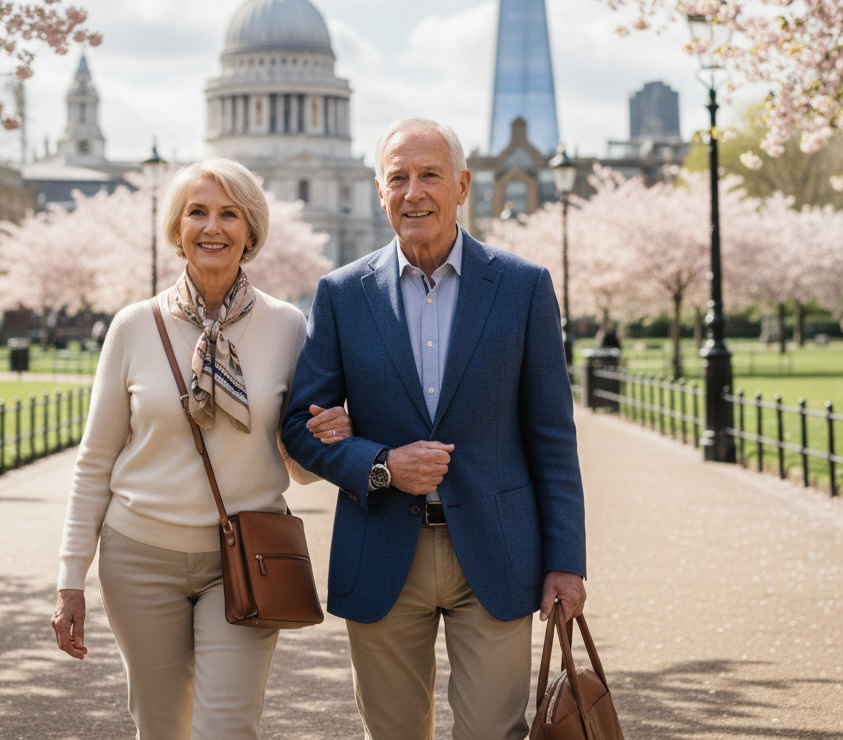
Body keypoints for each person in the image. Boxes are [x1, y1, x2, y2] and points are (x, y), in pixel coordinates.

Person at [282, 117, 587, 740]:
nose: (413, 191)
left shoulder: (524, 287)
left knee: (492, 732)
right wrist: (380, 463)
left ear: (462, 185)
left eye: (429, 175)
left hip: (498, 553)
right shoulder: (341, 293)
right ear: (379, 189)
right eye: (398, 178)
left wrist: (566, 560)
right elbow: (300, 425)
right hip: (381, 548)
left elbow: (553, 438)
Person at [51, 156, 351, 740]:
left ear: (251, 231)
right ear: (177, 228)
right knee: (161, 725)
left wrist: (326, 438)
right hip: (138, 557)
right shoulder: (135, 326)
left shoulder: (289, 327)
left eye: (228, 214)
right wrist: (69, 581)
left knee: (228, 725)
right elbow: (94, 462)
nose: (212, 227)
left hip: (245, 558)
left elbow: (295, 463)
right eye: (198, 212)